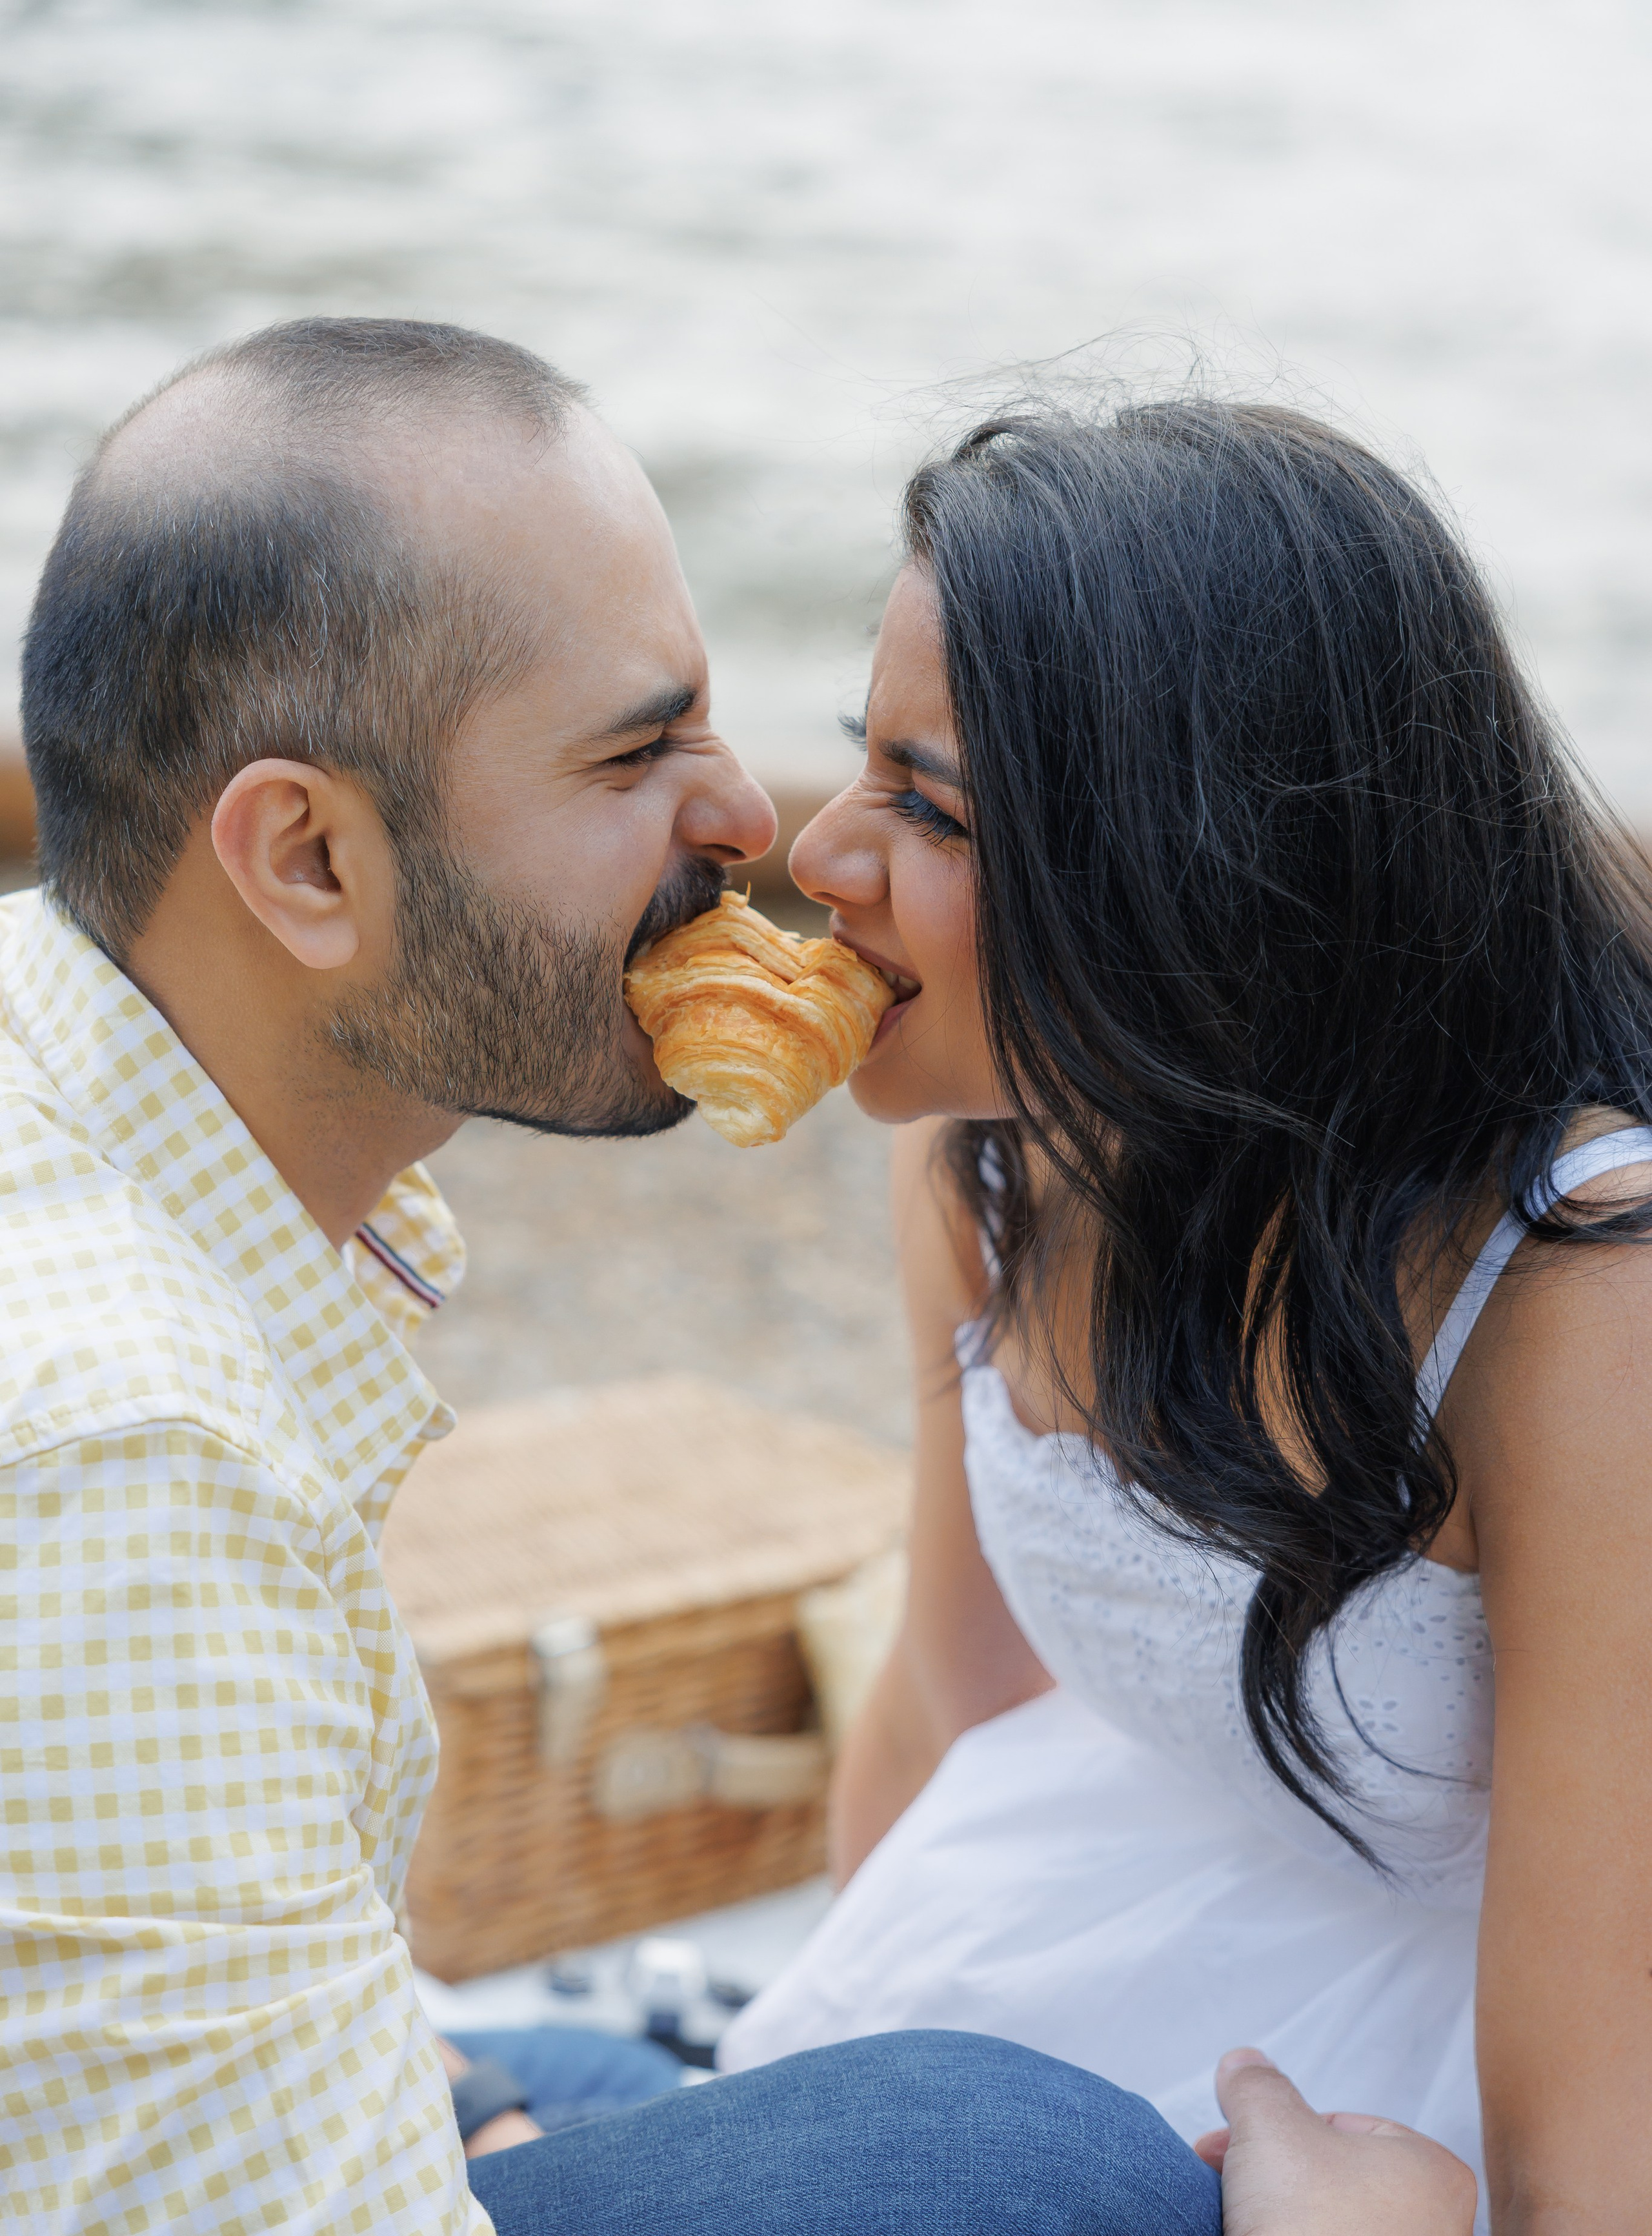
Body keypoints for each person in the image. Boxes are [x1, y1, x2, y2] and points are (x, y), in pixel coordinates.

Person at [0, 316, 1460, 2236]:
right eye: (637, 749)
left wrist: (423, 2095)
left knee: (669, 2088)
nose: (756, 825)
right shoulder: (130, 1454)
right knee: (1040, 2166)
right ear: (308, 862)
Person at [720, 398, 1652, 2236]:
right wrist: (813, 2097)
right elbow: (950, 1701)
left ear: (1195, 878)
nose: (817, 856)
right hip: (1073, 1913)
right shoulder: (991, 1158)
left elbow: (1597, 2101)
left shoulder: (1576, 1299)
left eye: (929, 805)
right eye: (860, 761)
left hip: (1459, 2066)